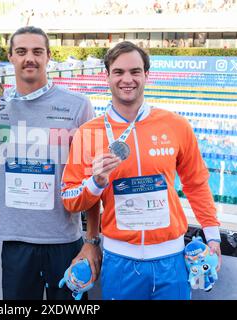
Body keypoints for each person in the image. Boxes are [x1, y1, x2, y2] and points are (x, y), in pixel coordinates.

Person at [61, 41, 222, 300]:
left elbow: (196, 183)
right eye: (119, 72)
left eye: (135, 71)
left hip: (171, 260)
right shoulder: (88, 133)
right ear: (107, 77)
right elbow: (70, 199)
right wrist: (96, 182)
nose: (128, 79)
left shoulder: (176, 125)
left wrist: (213, 237)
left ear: (147, 75)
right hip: (119, 261)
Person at [0, 26, 102, 300]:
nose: (29, 58)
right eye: (21, 51)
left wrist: (91, 241)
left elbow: (92, 178)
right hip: (17, 242)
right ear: (10, 57)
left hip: (65, 241)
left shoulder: (78, 106)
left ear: (48, 56)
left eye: (36, 51)